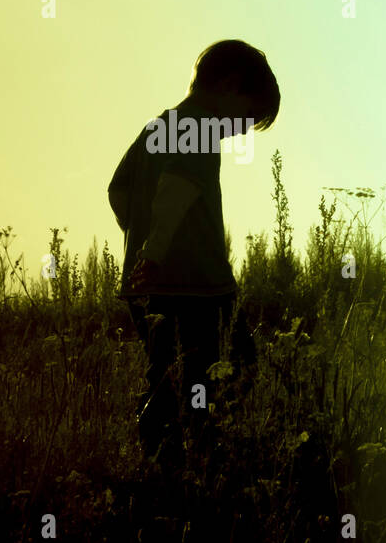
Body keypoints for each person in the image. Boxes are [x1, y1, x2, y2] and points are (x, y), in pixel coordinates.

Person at [108, 40, 279, 468]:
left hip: (145, 286)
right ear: (228, 85)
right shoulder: (200, 129)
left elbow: (118, 189)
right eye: (246, 118)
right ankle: (199, 446)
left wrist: (139, 242)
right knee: (237, 363)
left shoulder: (157, 127)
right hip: (196, 284)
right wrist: (158, 250)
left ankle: (170, 454)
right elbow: (177, 189)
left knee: (170, 371)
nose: (241, 131)